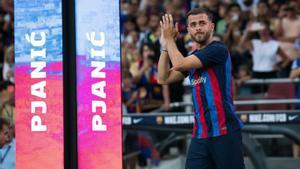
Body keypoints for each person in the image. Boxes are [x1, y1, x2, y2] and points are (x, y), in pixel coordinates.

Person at [158, 8, 244, 169]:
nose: (198, 27)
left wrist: (170, 39)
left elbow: (179, 64)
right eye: (193, 24)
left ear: (211, 26)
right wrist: (165, 46)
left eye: (202, 23)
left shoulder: (218, 49)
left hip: (225, 132)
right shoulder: (192, 57)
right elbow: (163, 78)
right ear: (188, 29)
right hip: (200, 135)